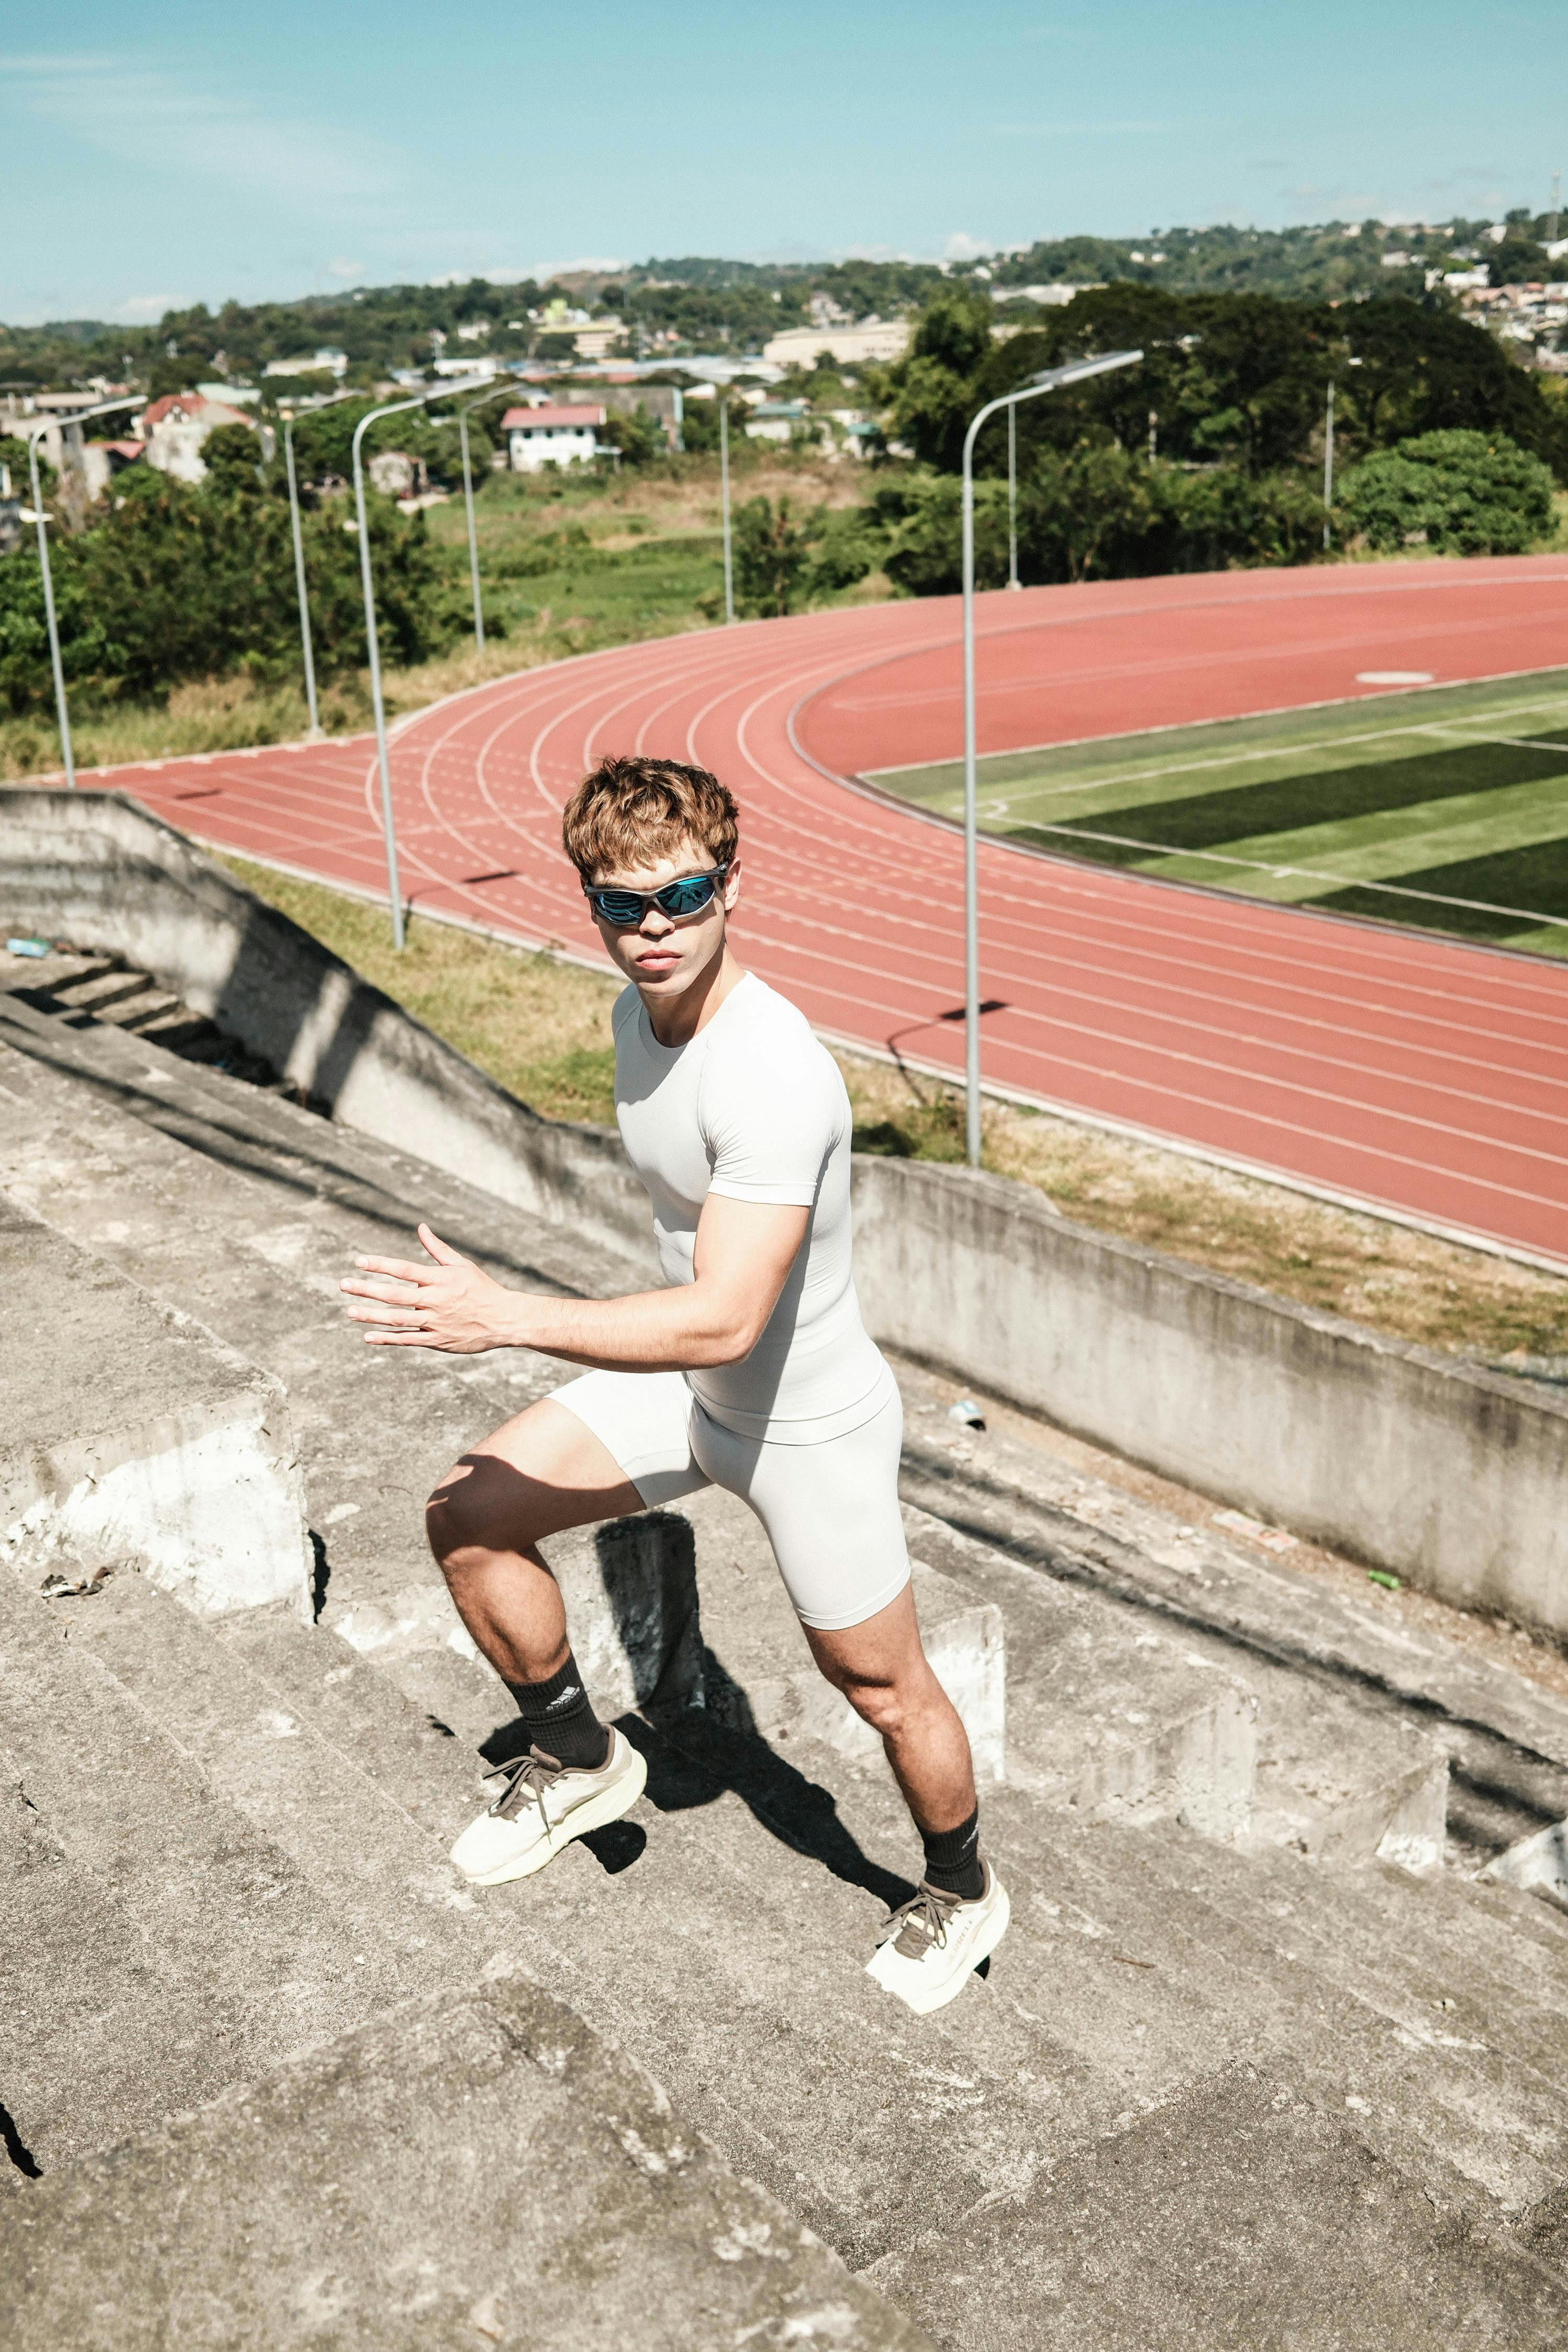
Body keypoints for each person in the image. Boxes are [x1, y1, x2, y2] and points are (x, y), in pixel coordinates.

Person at [339, 754, 1008, 2015]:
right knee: (467, 1515)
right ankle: (580, 1754)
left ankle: (963, 1888)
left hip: (803, 1420)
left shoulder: (774, 1071)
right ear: (589, 903)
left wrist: (505, 1318)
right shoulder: (632, 1017)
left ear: (731, 887)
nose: (651, 930)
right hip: (699, 1399)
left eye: (680, 896)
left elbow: (728, 1313)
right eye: (618, 903)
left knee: (880, 1688)